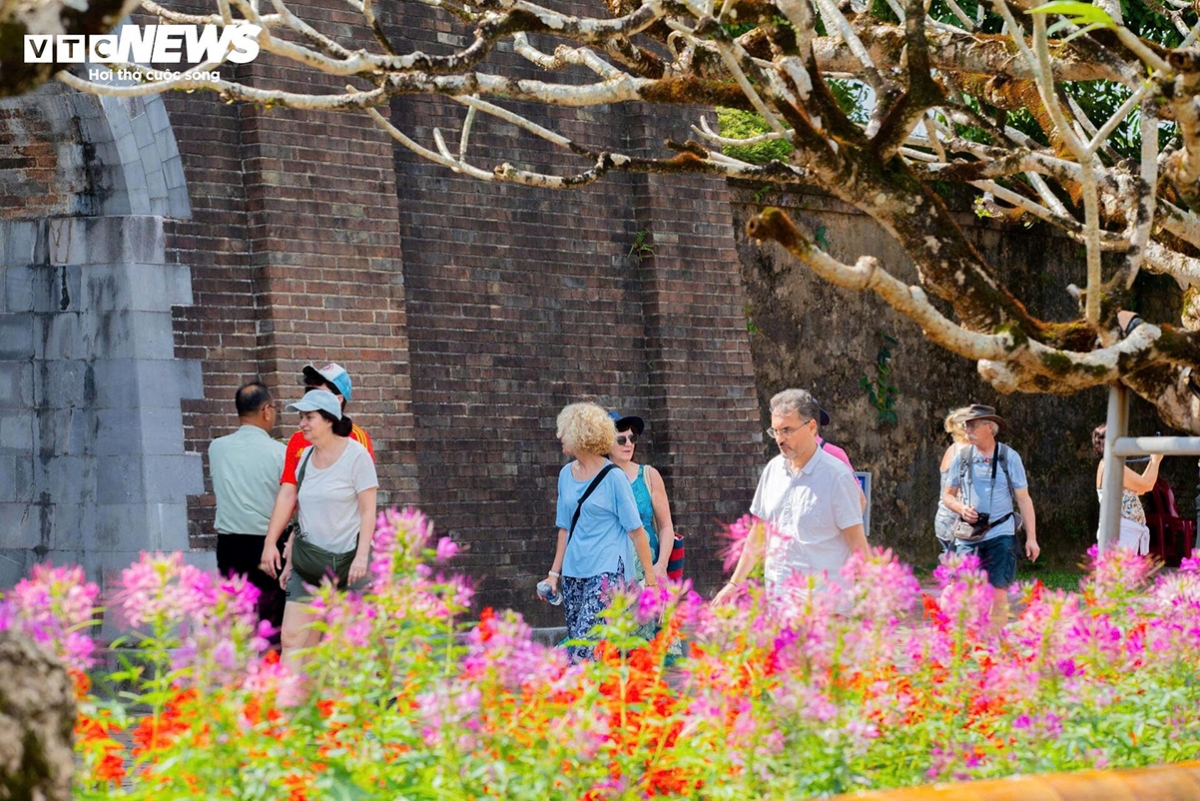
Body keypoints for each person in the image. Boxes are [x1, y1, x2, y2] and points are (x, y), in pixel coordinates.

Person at [712, 389, 868, 609]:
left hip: (825, 608)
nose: (780, 439)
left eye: (787, 430)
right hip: (779, 604)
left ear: (812, 427)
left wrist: (868, 600)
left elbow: (858, 545)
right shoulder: (773, 470)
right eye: (775, 431)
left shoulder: (837, 476)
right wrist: (734, 584)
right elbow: (758, 534)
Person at [260, 390, 378, 668]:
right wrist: (290, 557)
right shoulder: (304, 459)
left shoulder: (357, 456)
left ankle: (380, 699)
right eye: (301, 417)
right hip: (309, 563)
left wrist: (362, 556)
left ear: (328, 420)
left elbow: (368, 510)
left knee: (358, 640)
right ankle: (294, 707)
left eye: (309, 417)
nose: (302, 423)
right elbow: (303, 512)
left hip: (349, 563)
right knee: (292, 638)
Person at [542, 402, 658, 663]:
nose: (560, 437)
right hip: (574, 573)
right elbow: (564, 528)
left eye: (565, 431)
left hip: (606, 574)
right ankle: (597, 699)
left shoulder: (613, 478)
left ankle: (576, 698)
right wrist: (553, 575)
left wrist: (650, 581)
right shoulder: (564, 475)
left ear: (581, 435)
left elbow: (637, 532)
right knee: (580, 645)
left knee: (582, 650)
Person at [261, 363, 375, 580]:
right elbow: (289, 495)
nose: (309, 397)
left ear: (337, 399)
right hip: (309, 553)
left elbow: (364, 504)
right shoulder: (298, 441)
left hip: (345, 554)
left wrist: (362, 555)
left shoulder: (357, 441)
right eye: (308, 391)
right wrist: (275, 541)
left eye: (317, 391)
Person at [941, 404, 1039, 629]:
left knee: (998, 592)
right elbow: (948, 496)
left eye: (973, 425)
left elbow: (1024, 499)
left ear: (989, 427)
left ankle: (993, 645)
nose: (968, 430)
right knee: (963, 590)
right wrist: (961, 508)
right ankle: (962, 640)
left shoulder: (1008, 457)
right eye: (966, 425)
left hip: (1001, 533)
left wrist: (1031, 538)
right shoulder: (962, 457)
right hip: (969, 535)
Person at [208, 381, 288, 643]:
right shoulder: (281, 452)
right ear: (267, 411)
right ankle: (269, 678)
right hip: (269, 545)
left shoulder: (217, 448)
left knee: (236, 620)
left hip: (229, 545)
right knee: (271, 623)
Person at [607, 411, 675, 583]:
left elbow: (666, 526)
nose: (628, 444)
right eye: (621, 440)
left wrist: (661, 564)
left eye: (632, 438)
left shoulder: (648, 475)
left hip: (649, 574)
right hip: (611, 577)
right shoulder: (598, 480)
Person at [1093, 423, 1162, 554]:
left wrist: (1154, 460)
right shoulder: (1112, 466)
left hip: (1123, 532)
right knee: (1119, 573)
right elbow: (1147, 484)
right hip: (1120, 533)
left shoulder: (1107, 464)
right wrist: (1156, 461)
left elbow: (1141, 488)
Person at [933, 407, 972, 555]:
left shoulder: (952, 449)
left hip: (943, 519)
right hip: (958, 522)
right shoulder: (966, 451)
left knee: (952, 563)